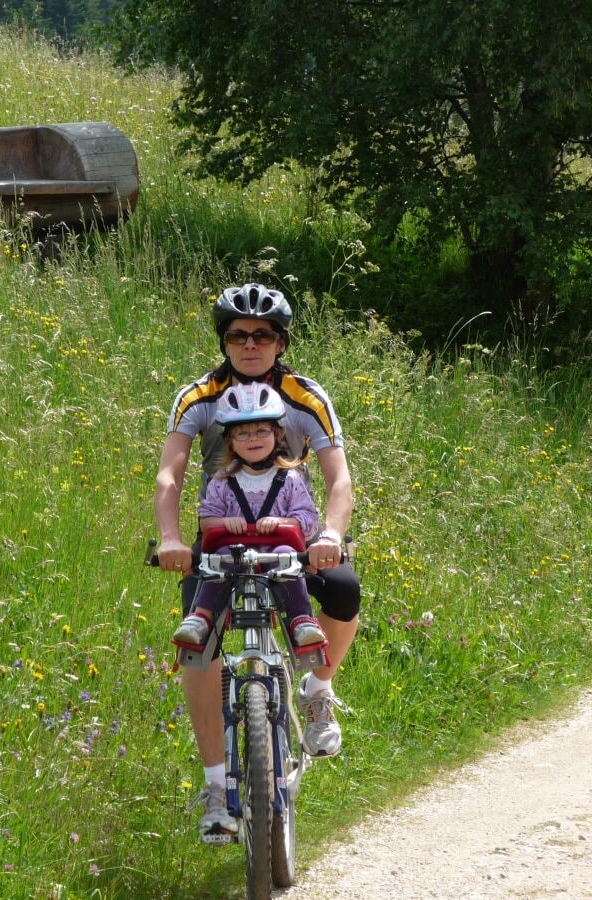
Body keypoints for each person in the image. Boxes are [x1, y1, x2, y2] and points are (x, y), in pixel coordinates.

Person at [153, 283, 361, 842]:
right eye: (238, 335)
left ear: (280, 341)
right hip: (221, 536)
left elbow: (338, 478)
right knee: (200, 650)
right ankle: (216, 787)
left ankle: (318, 692)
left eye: (262, 335)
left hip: (293, 535)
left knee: (343, 589)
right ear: (224, 341)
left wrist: (332, 533)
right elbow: (170, 474)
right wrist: (171, 537)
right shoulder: (198, 395)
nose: (251, 344)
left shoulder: (305, 394)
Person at [172, 382, 327, 650]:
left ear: (278, 434)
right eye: (242, 434)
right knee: (219, 561)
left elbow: (308, 517)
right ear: (229, 441)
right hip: (235, 553)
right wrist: (222, 523)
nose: (253, 439)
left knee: (287, 561)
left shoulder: (290, 478)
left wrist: (284, 523)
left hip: (276, 553)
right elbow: (206, 518)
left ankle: (302, 620)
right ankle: (201, 618)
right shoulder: (222, 480)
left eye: (261, 431)